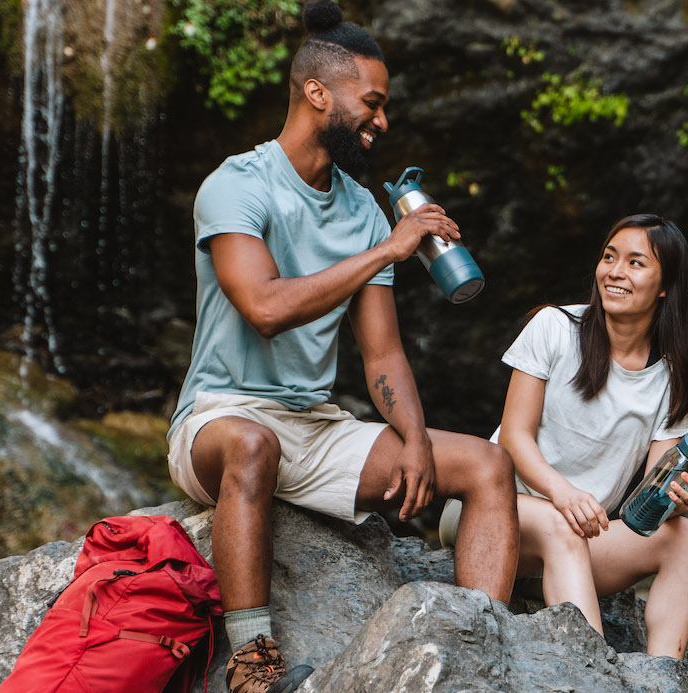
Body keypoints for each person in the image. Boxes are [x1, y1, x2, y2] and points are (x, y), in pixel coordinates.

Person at [163, 3, 518, 690]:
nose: (381, 121)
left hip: (313, 426)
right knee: (252, 445)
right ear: (317, 92)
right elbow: (264, 306)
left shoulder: (361, 207)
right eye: (373, 103)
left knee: (488, 465)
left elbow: (381, 353)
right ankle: (252, 662)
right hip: (218, 417)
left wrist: (413, 437)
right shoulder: (237, 184)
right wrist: (389, 247)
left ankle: (480, 654)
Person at [494, 213, 688, 659]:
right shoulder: (555, 326)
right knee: (560, 525)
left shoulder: (676, 373)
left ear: (665, 285)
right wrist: (564, 495)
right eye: (609, 257)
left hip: (581, 546)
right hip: (494, 516)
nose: (614, 271)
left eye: (635, 263)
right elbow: (515, 436)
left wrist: (677, 497)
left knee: (686, 539)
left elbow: (653, 493)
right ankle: (594, 677)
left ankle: (664, 675)